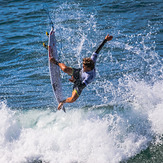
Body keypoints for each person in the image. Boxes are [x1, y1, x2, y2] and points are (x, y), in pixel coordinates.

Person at [50, 34, 113, 110]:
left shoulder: (89, 77)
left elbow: (81, 86)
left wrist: (75, 81)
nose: (82, 67)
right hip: (78, 73)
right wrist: (105, 40)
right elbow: (98, 50)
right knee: (65, 69)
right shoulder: (92, 60)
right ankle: (56, 62)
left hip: (80, 83)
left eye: (84, 66)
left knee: (73, 99)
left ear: (89, 68)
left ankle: (63, 102)